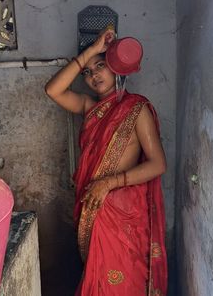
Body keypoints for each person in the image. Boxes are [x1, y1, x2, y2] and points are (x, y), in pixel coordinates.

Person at [44, 29, 168, 295]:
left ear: (115, 67)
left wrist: (109, 183)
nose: (93, 75)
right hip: (95, 209)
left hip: (125, 214)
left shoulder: (136, 108)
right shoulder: (89, 107)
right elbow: (52, 90)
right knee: (99, 279)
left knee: (125, 280)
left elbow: (158, 164)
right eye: (87, 72)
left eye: (100, 66)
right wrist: (89, 52)